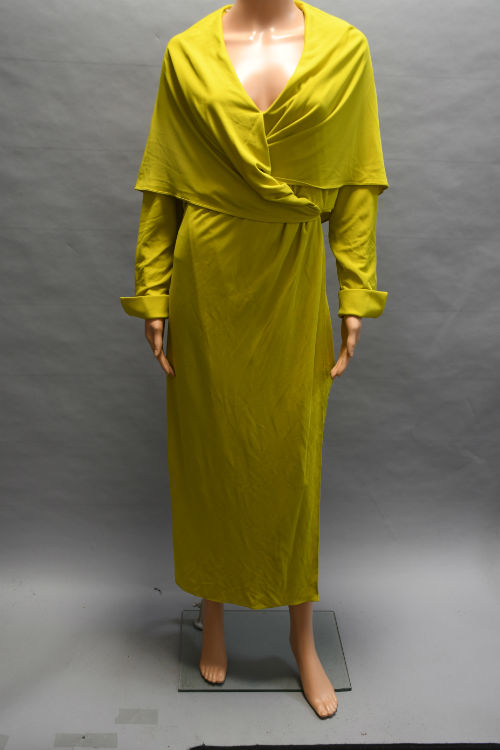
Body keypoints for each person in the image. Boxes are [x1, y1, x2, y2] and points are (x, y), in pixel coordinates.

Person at [120, 0, 389, 720]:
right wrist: (154, 292)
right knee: (212, 450)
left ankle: (302, 636)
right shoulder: (186, 54)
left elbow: (357, 183)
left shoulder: (345, 50)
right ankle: (213, 615)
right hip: (208, 273)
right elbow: (163, 182)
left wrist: (354, 291)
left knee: (290, 457)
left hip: (292, 269)